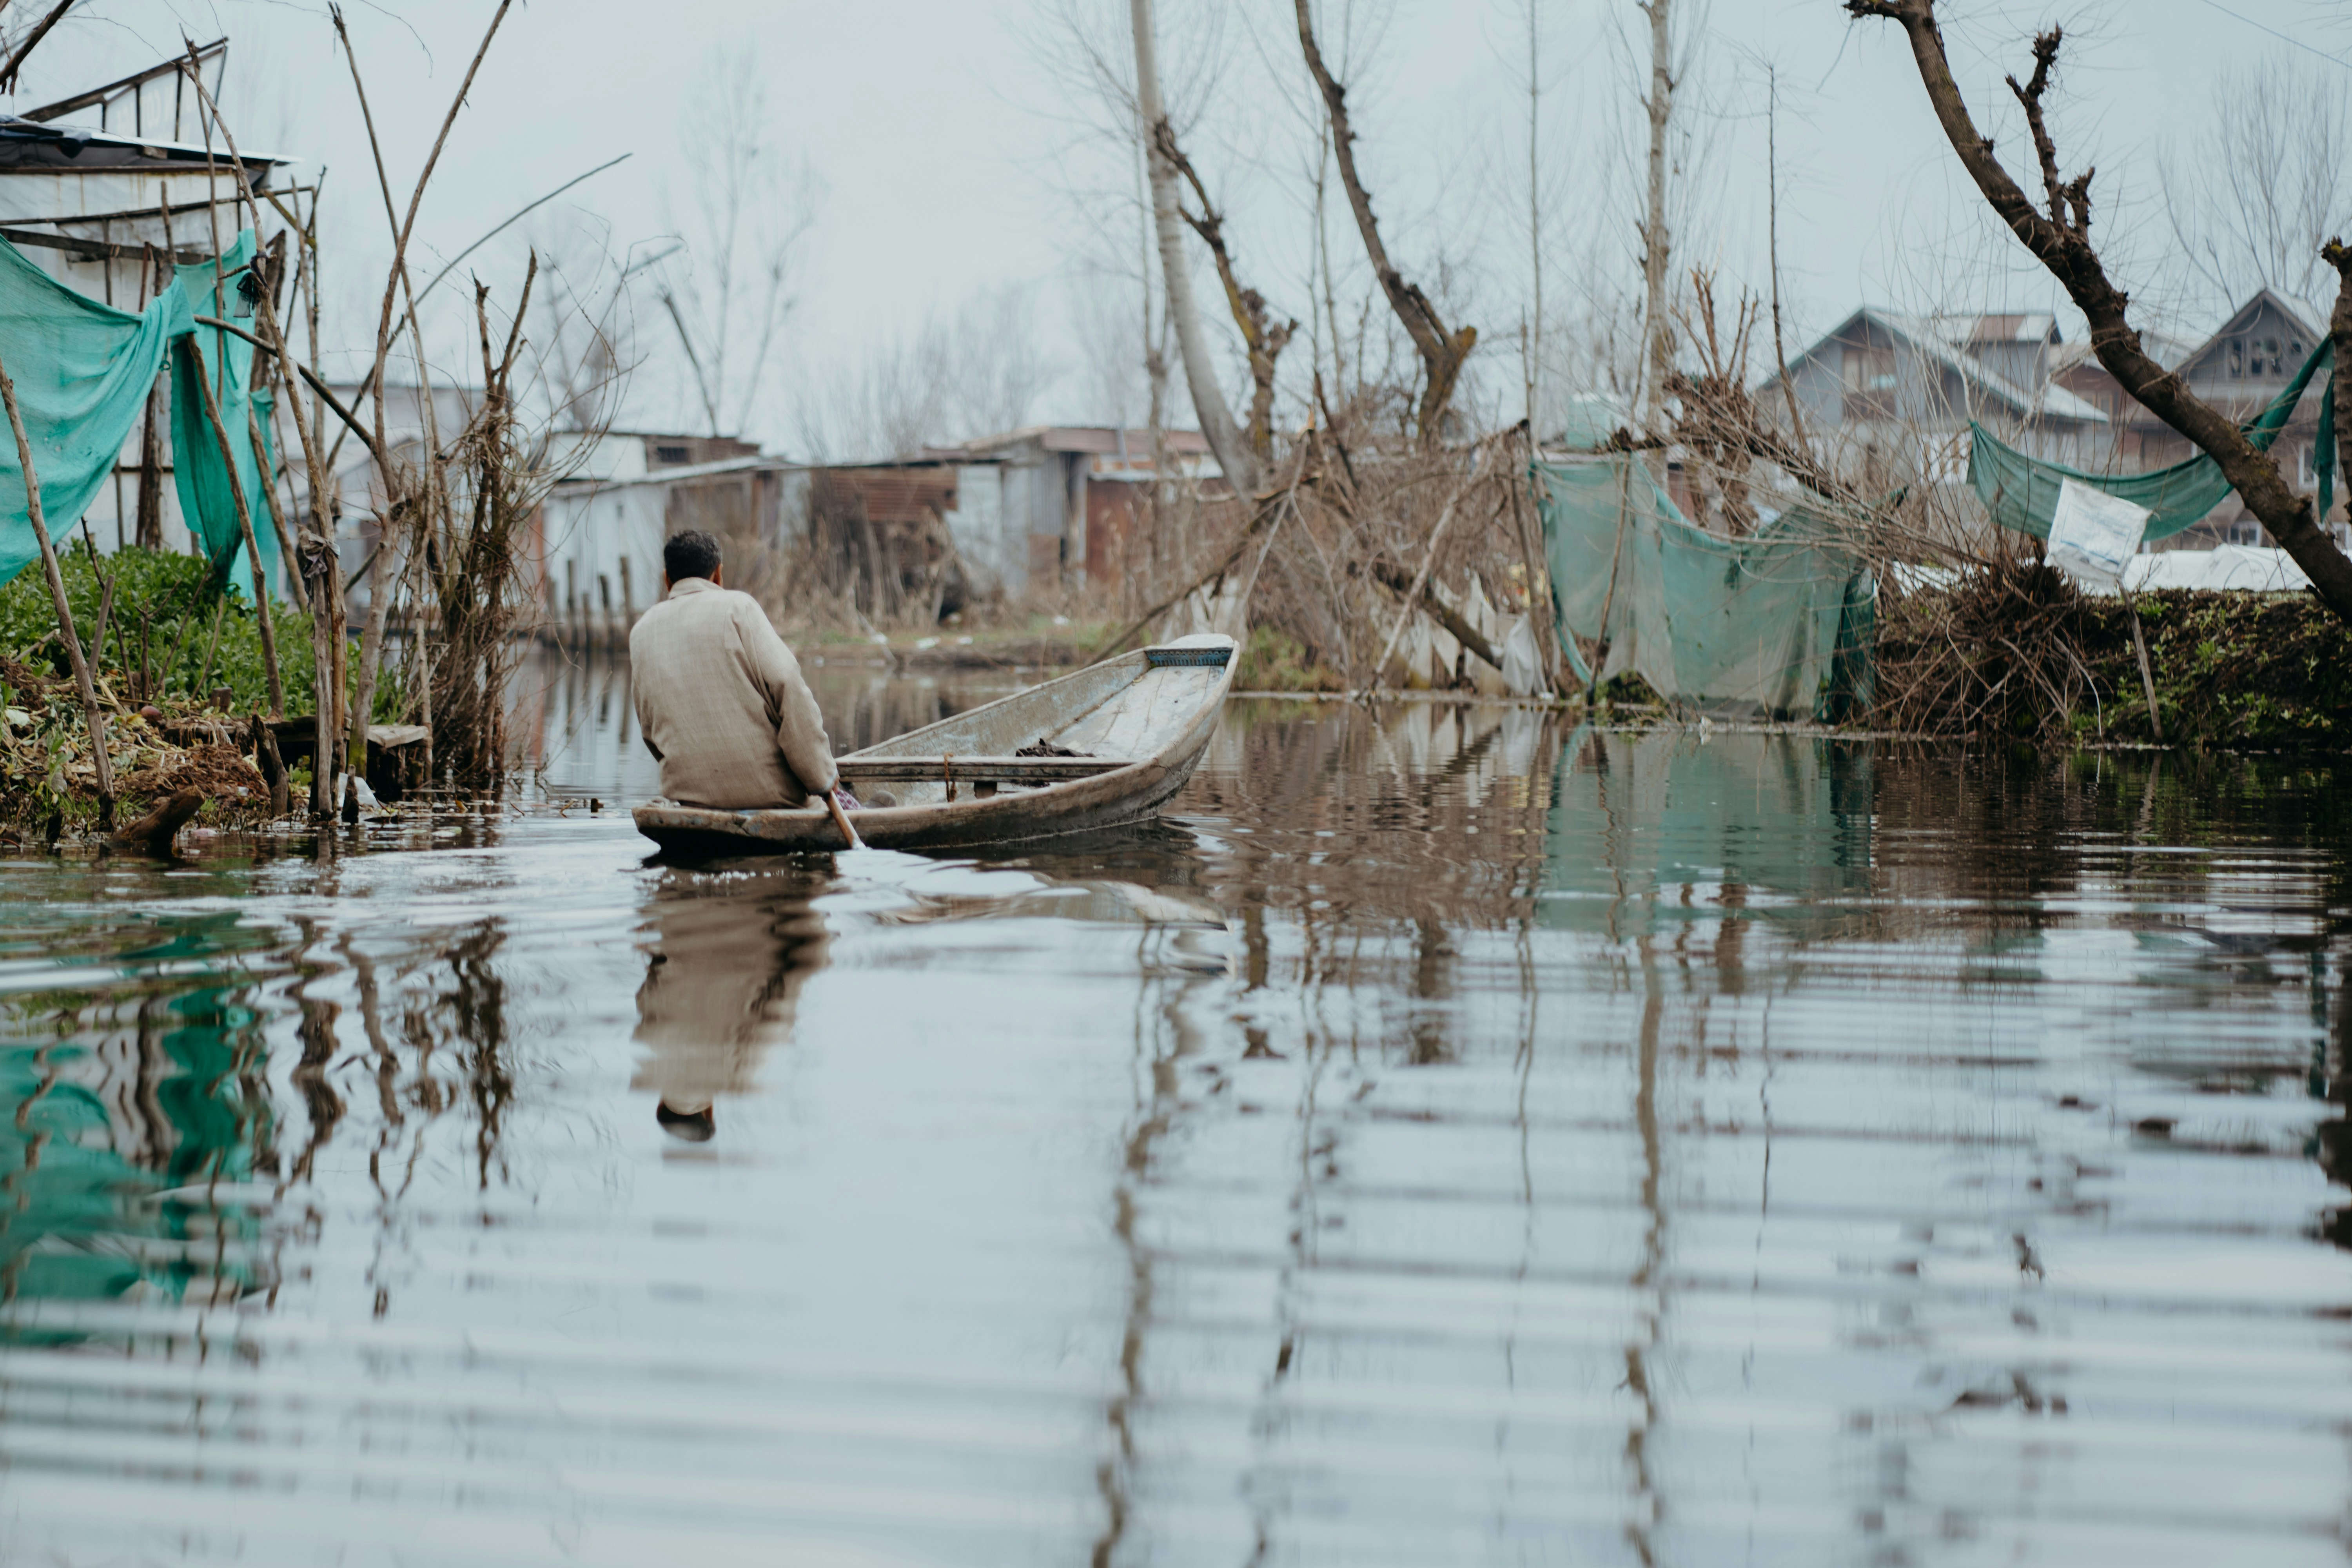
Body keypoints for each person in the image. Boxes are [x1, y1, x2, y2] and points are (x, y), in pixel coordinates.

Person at [628, 529, 860, 813]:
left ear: (667, 579)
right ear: (718, 574)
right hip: (771, 796)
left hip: (692, 799)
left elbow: (650, 729)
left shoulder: (641, 631)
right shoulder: (739, 608)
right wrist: (822, 778)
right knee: (868, 803)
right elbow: (789, 688)